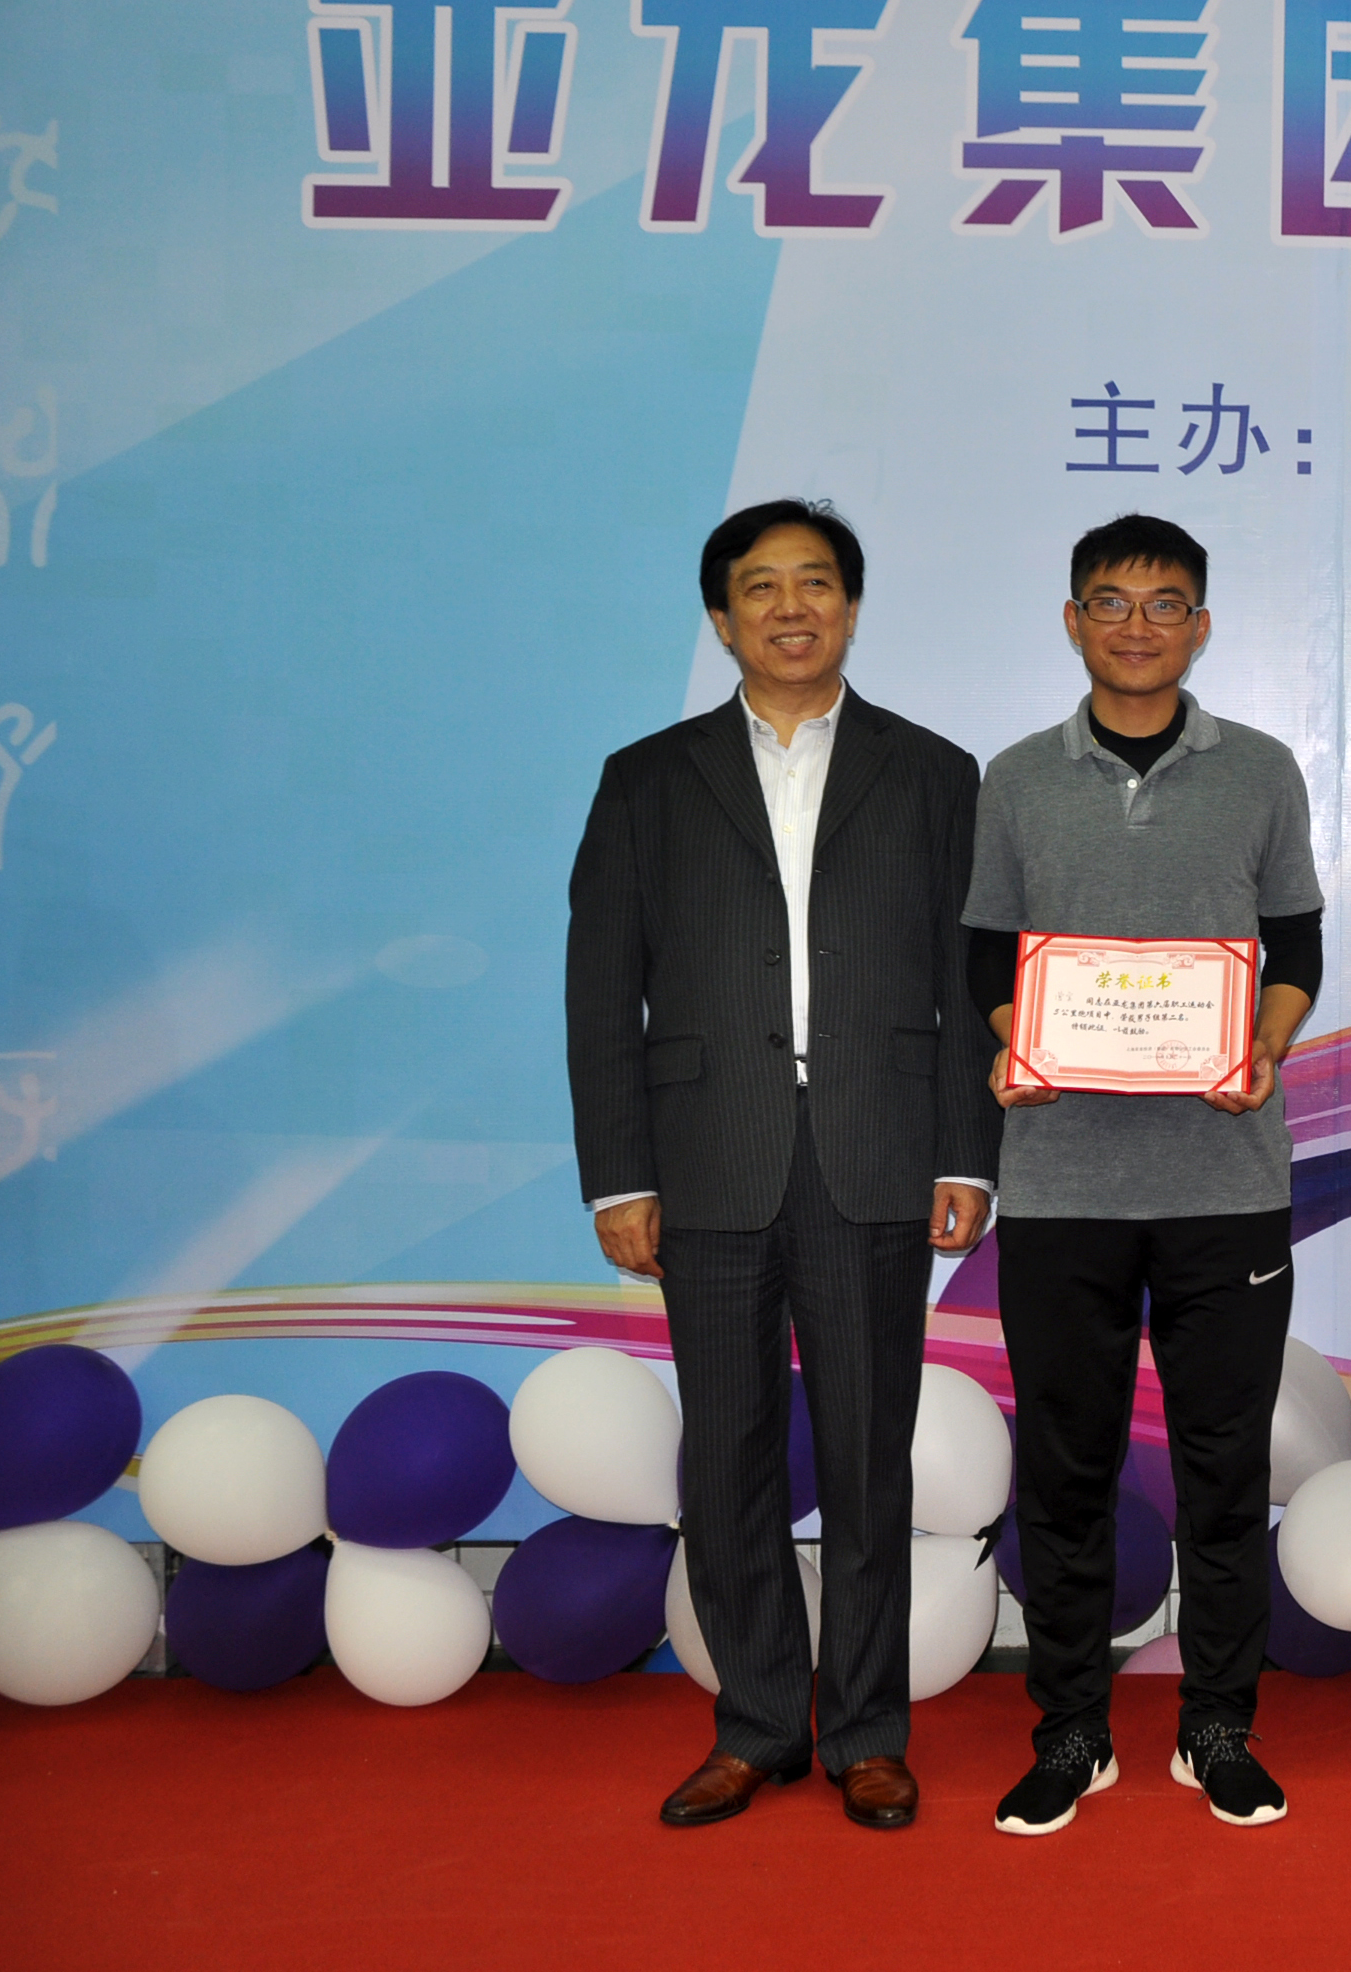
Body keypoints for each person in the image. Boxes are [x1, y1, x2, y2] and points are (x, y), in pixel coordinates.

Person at [567, 499, 1000, 1831]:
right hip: (706, 1162)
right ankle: (756, 1724)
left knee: (869, 1460)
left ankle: (867, 1731)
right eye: (761, 587)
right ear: (722, 618)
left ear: (851, 608)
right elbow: (602, 987)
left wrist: (967, 1154)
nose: (791, 607)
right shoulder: (649, 777)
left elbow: (971, 979)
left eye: (816, 582)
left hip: (876, 1156)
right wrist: (619, 1175)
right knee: (728, 1459)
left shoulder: (933, 774)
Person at [965, 514, 1321, 1836]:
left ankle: (1217, 1724)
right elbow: (985, 954)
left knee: (1225, 1469)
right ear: (1073, 620)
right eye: (1109, 602)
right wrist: (1018, 1041)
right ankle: (1069, 1729)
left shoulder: (1262, 770)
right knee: (1065, 1468)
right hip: (1063, 1184)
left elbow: (1295, 942)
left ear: (1200, 627)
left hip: (1225, 1181)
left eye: (1164, 603)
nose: (1136, 625)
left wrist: (1264, 1045)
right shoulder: (1015, 778)